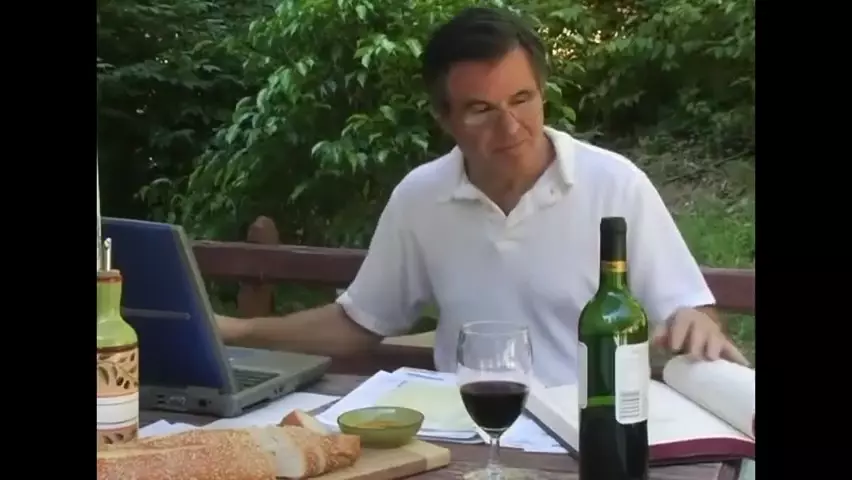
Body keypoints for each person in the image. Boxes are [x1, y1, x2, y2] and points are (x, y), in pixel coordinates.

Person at [217, 6, 749, 387]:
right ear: (444, 117)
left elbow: (690, 308)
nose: (511, 127)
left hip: (589, 435)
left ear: (542, 93)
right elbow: (360, 322)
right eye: (481, 110)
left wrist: (697, 323)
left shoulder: (614, 184)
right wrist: (237, 331)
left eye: (522, 99)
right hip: (470, 432)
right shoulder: (422, 197)